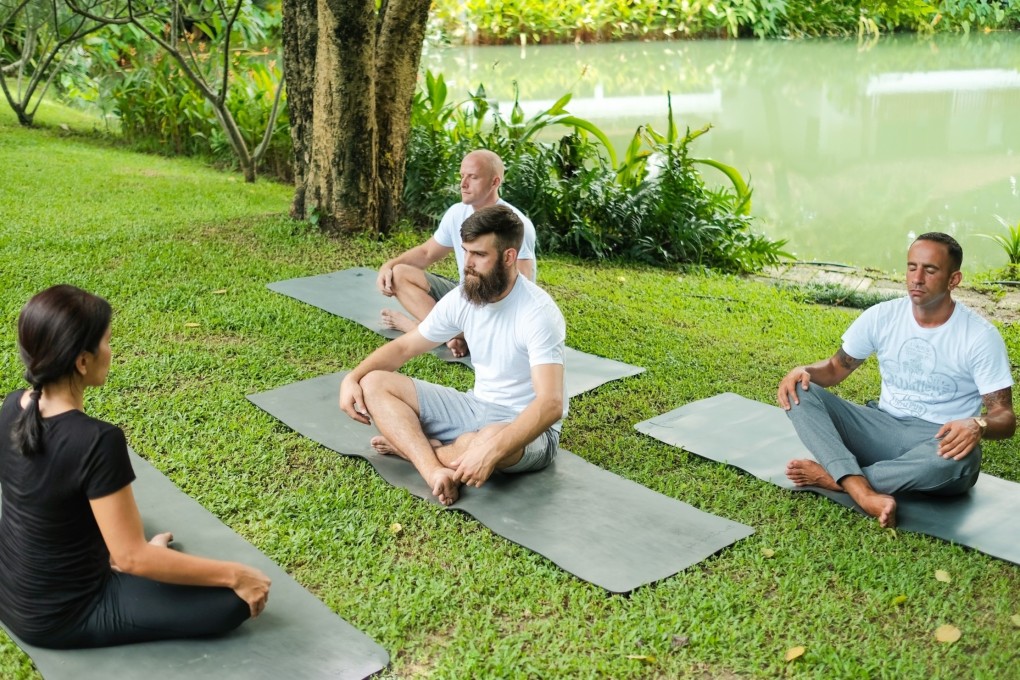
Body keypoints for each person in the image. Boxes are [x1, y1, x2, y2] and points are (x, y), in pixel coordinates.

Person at [0, 285, 271, 649]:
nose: (112, 351)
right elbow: (130, 559)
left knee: (134, 537)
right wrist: (237, 575)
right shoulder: (97, 440)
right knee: (234, 601)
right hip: (61, 616)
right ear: (82, 361)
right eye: (108, 341)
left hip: (11, 592)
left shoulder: (13, 404)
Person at [777, 232, 1016, 528]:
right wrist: (804, 371)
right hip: (880, 427)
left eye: (930, 270)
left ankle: (837, 478)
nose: (917, 278)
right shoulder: (882, 316)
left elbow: (1005, 418)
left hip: (937, 442)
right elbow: (836, 369)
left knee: (962, 462)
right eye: (911, 267)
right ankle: (861, 489)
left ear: (954, 280)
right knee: (800, 392)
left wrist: (977, 424)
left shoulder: (979, 336)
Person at [342, 204, 566, 506]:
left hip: (526, 428)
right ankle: (434, 468)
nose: (467, 264)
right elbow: (405, 347)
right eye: (466, 252)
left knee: (483, 441)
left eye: (479, 255)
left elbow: (550, 404)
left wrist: (492, 449)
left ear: (509, 257)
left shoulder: (538, 313)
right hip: (474, 407)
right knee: (374, 384)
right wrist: (352, 378)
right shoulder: (465, 295)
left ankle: (412, 448)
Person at [376, 149, 537, 357]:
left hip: (496, 308)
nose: (463, 184)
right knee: (398, 274)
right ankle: (453, 336)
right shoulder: (456, 213)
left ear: (495, 182)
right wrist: (387, 265)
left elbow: (524, 284)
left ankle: (421, 329)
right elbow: (426, 253)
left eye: (473, 177)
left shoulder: (515, 224)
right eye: (462, 176)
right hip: (466, 296)